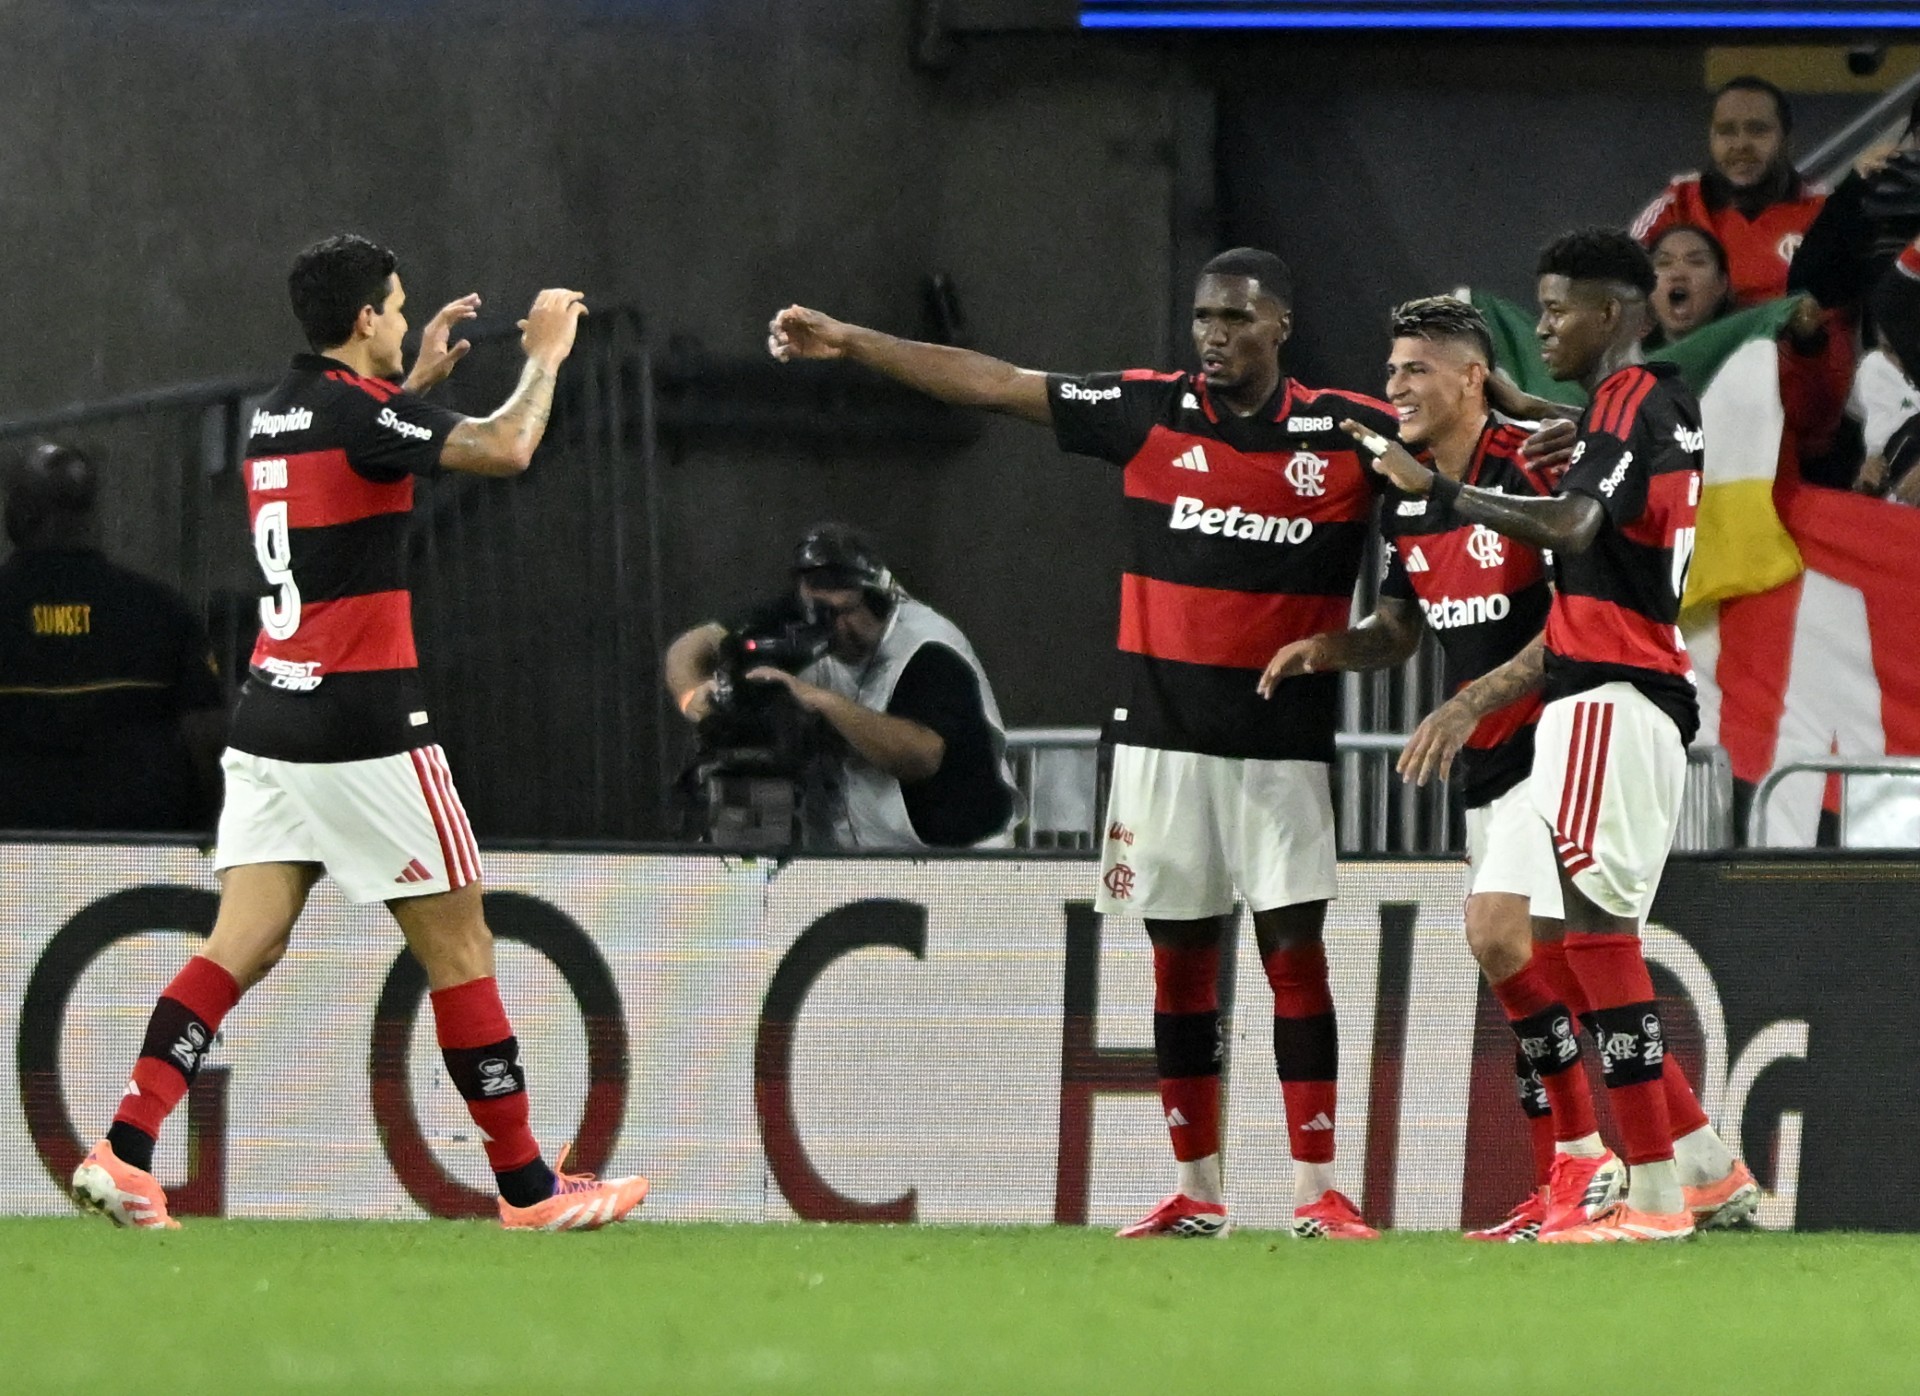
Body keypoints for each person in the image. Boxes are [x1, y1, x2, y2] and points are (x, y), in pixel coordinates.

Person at [769, 248, 1399, 1241]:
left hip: (1282, 751)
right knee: (1179, 968)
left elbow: (1459, 441)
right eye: (1202, 317)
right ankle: (1199, 1192)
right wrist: (854, 342)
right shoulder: (1150, 410)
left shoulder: (1349, 433)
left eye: (1235, 318)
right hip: (1160, 751)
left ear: (1280, 324)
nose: (1213, 336)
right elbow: (998, 383)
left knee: (1295, 960)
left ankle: (1319, 1190)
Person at [70, 234, 648, 1232]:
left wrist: (417, 379)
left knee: (239, 942)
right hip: (365, 725)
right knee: (462, 946)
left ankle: (123, 1146)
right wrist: (546, 355)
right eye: (397, 303)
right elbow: (506, 448)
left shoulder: (273, 418)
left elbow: (361, 456)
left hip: (269, 721)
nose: (404, 314)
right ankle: (526, 1187)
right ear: (367, 317)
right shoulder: (361, 416)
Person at [1348, 229, 1759, 1244]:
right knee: (1581, 946)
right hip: (1629, 686)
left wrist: (1437, 490)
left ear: (1611, 314)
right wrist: (1550, 422)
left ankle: (1644, 1191)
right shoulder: (1643, 406)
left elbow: (1574, 529)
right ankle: (1694, 1170)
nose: (1544, 328)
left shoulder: (1627, 402)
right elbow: (1609, 483)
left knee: (1591, 942)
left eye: (1558, 309)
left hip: (1606, 687)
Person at [1259, 297, 1617, 1242]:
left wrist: (1465, 703)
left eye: (1414, 370)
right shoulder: (1406, 496)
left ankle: (1590, 1160)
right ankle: (1573, 1183)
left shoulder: (1532, 469)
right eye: (1389, 372)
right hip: (1489, 765)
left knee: (1497, 938)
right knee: (1538, 974)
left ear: (1469, 377)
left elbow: (1572, 630)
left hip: (1559, 742)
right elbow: (1400, 630)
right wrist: (1329, 650)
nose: (1394, 388)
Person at [664, 523, 1018, 849]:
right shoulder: (805, 615)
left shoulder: (928, 648)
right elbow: (694, 644)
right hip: (862, 861)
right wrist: (693, 695)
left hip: (959, 861)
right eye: (817, 609)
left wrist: (820, 701)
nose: (829, 626)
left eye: (842, 611)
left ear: (876, 601)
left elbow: (920, 757)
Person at [0, 442, 225, 832]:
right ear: (89, 514)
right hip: (139, 847)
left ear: (20, 514)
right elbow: (207, 735)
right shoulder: (160, 609)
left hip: (12, 844)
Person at [1649, 224, 1852, 485]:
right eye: (1663, 263)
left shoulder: (1764, 353)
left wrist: (1809, 348)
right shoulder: (1617, 361)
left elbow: (1813, 422)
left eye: (1696, 262)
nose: (1677, 273)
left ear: (1722, 284)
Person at [1632, 75, 1825, 308]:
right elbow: (1615, 278)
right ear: (1711, 139)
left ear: (1787, 141)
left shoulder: (1826, 209)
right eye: (1726, 131)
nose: (1741, 145)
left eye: (1757, 130)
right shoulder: (1678, 204)